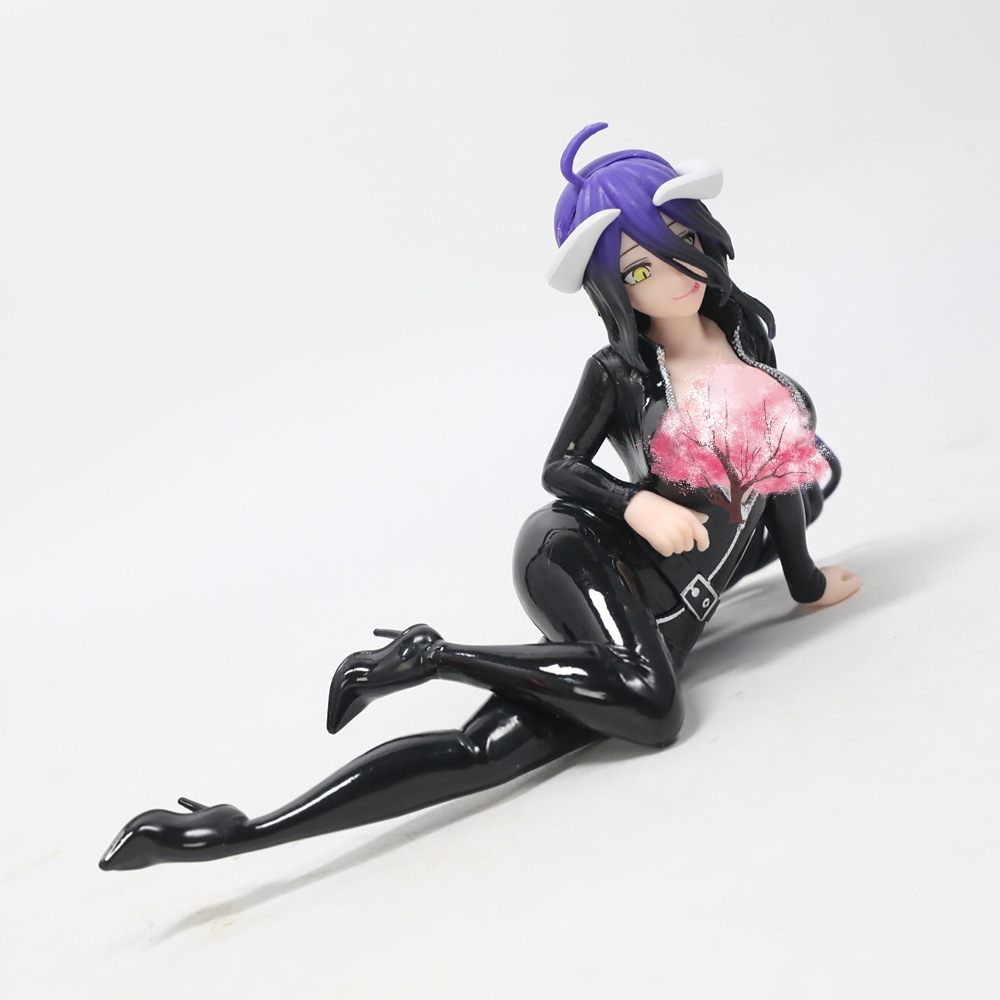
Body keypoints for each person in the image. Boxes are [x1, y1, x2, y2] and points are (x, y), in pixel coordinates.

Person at [99, 123, 859, 871]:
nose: (673, 272)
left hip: (664, 616)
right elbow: (562, 468)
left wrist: (805, 581)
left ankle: (234, 834)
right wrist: (637, 504)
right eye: (638, 267)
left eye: (680, 239)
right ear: (612, 288)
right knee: (653, 712)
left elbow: (784, 485)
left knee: (487, 749)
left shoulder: (748, 343)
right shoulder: (620, 372)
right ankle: (434, 655)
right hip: (581, 553)